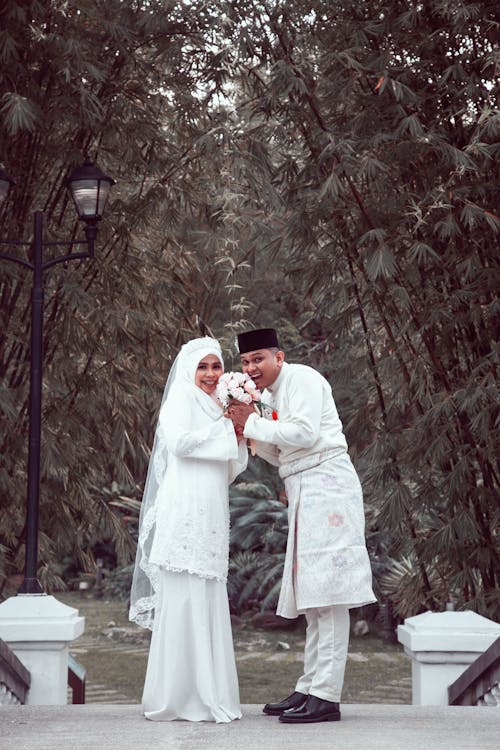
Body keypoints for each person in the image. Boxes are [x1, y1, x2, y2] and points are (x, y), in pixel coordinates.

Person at [227, 328, 376, 724]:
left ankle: (326, 696)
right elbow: (282, 453)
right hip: (304, 487)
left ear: (279, 356)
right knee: (313, 594)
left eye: (258, 359)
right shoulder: (273, 397)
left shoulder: (304, 378)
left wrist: (253, 424)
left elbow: (307, 434)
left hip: (327, 485)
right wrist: (247, 429)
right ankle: (310, 686)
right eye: (244, 362)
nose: (250, 368)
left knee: (328, 593)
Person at [129, 336, 248, 723]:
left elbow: (232, 466)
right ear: (189, 370)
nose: (211, 375)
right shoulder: (180, 397)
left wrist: (240, 434)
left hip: (211, 507)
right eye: (203, 367)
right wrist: (227, 431)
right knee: (184, 593)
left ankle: (210, 692)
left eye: (216, 367)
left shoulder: (221, 405)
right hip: (185, 510)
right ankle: (180, 697)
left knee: (208, 590)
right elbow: (180, 444)